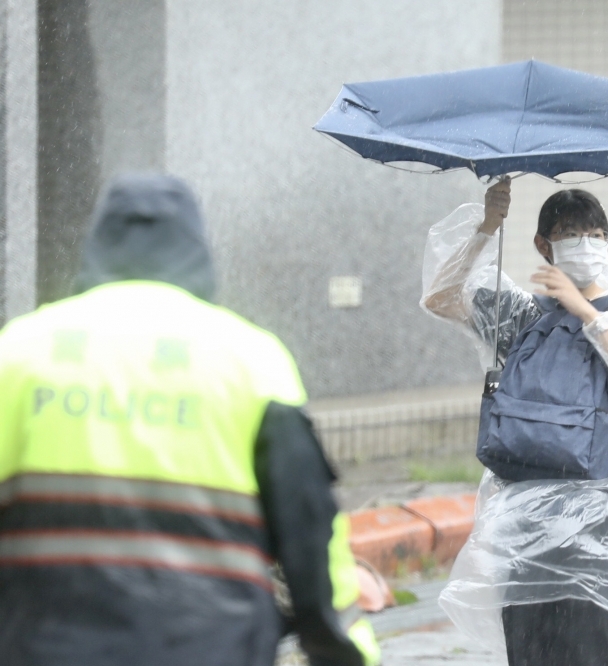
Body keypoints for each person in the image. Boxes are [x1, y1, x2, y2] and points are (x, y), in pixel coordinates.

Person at [0, 174, 380, 666]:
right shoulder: (251, 360)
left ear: (97, 244)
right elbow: (308, 530)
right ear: (196, 249)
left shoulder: (19, 352)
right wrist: (342, 649)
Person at [421, 179, 608, 666]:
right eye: (571, 234)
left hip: (603, 520)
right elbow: (441, 298)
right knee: (533, 651)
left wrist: (584, 309)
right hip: (523, 518)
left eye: (597, 235)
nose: (586, 245)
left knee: (602, 651)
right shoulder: (522, 316)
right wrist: (486, 227)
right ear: (544, 245)